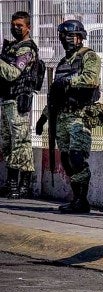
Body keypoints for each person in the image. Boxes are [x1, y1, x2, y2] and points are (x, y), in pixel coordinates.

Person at [35, 20, 102, 214]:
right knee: (65, 158)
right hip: (62, 116)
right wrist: (44, 117)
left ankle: (83, 200)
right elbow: (55, 96)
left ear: (80, 37)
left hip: (80, 115)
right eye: (62, 36)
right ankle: (76, 198)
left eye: (69, 36)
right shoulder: (63, 62)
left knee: (77, 156)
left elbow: (91, 79)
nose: (65, 40)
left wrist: (68, 81)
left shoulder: (89, 56)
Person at [0, 11, 39, 199]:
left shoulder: (26, 49)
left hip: (18, 101)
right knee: (7, 142)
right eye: (13, 24)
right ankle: (13, 183)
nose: (15, 28)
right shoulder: (12, 47)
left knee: (20, 143)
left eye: (20, 26)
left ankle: (19, 184)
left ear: (28, 27)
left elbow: (12, 74)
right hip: (6, 99)